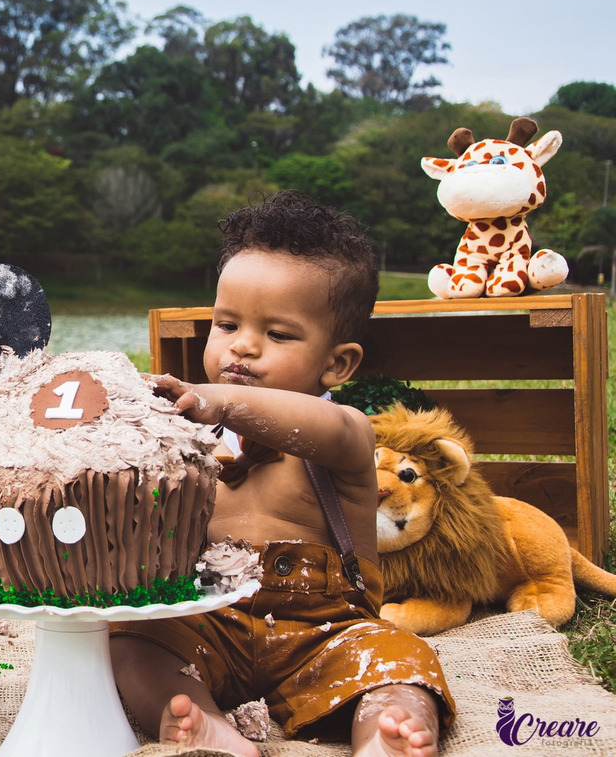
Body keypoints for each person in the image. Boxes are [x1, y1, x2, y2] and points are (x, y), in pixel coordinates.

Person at [112, 191, 455, 757]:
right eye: (225, 325)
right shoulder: (191, 438)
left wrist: (222, 401)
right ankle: (201, 722)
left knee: (398, 658)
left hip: (324, 631)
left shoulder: (340, 433)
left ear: (337, 363)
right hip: (209, 622)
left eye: (278, 334)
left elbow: (318, 428)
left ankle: (386, 732)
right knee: (131, 639)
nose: (241, 347)